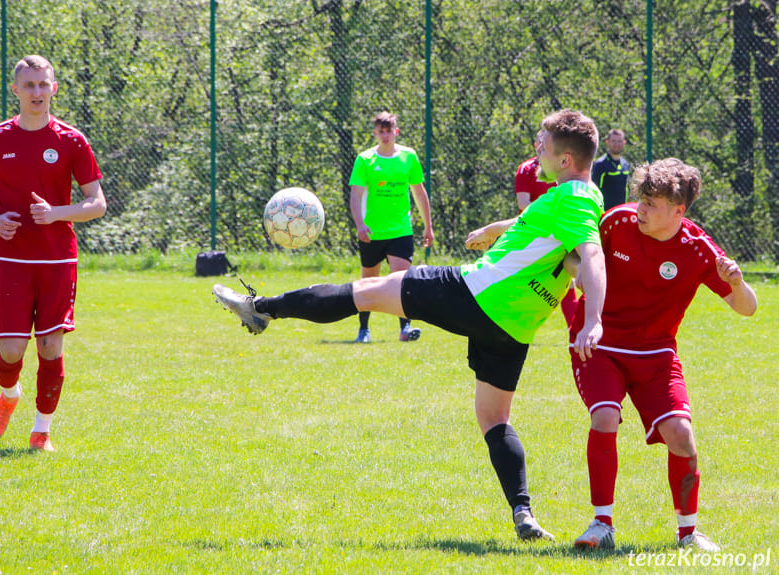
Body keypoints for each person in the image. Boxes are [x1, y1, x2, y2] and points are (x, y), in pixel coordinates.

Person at [214, 109, 607, 541]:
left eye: (543, 142)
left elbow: (589, 255)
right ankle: (523, 514)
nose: (536, 146)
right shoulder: (580, 196)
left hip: (475, 292)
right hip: (513, 325)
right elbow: (538, 228)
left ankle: (261, 309)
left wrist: (593, 320)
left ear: (566, 159)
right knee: (494, 418)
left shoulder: (573, 199)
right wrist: (493, 229)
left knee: (366, 291)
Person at [568, 158, 757, 552]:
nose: (641, 208)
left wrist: (737, 284)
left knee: (682, 436)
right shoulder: (616, 222)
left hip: (656, 353)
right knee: (604, 415)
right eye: (642, 198)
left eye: (653, 204)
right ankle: (601, 523)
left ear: (678, 210)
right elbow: (573, 255)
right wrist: (582, 283)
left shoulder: (699, 248)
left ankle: (688, 533)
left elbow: (748, 308)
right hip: (601, 342)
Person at [0, 55, 106, 452]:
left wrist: (55, 214)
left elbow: (96, 203)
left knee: (50, 346)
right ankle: (9, 395)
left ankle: (41, 431)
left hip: (57, 259)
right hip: (11, 260)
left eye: (43, 85)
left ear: (54, 88)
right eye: (29, 85)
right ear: (15, 90)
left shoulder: (72, 140)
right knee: (12, 350)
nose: (37, 92)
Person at [348, 111, 434, 343]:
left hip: (401, 230)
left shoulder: (409, 157)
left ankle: (405, 329)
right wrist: (360, 225)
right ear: (375, 133)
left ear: (396, 132)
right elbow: (355, 195)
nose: (385, 136)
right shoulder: (365, 160)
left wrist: (428, 226)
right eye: (381, 132)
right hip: (372, 232)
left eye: (389, 131)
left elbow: (419, 191)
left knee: (401, 280)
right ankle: (363, 330)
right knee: (368, 282)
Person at [515, 130, 578, 327]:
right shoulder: (526, 169)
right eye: (541, 142)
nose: (544, 146)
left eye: (549, 142)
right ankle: (514, 323)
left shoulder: (563, 169)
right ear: (536, 145)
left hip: (560, 233)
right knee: (525, 281)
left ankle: (575, 329)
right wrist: (548, 216)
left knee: (567, 281)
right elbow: (523, 204)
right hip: (533, 234)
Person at [591, 129, 631, 210]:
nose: (616, 144)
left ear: (624, 143)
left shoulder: (625, 164)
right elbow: (593, 191)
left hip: (622, 211)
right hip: (604, 213)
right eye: (613, 141)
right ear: (607, 142)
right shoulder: (600, 164)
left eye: (619, 141)